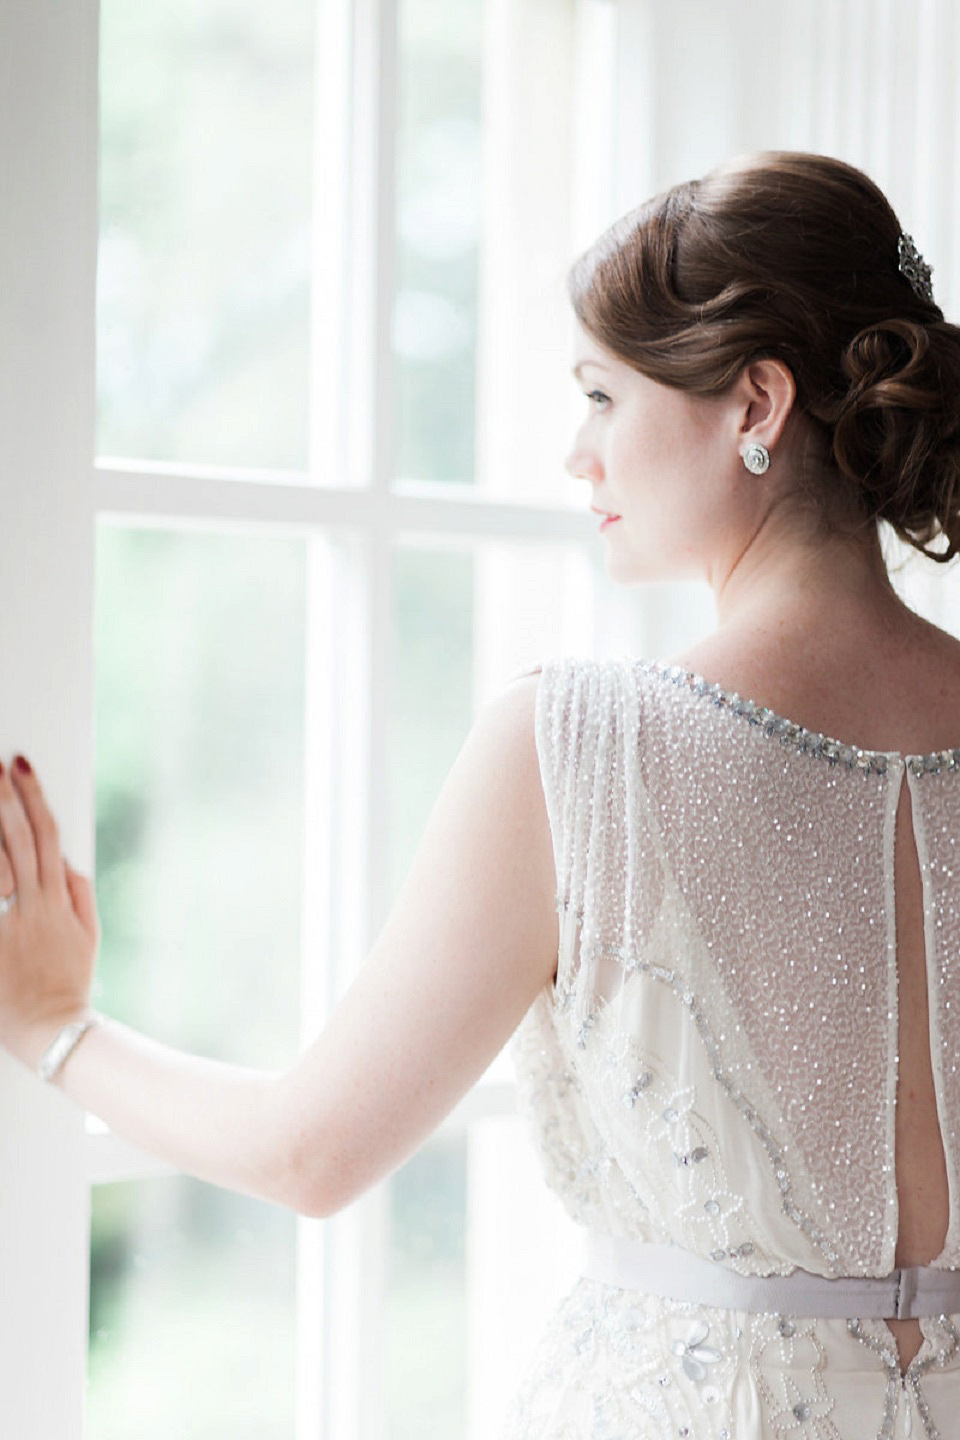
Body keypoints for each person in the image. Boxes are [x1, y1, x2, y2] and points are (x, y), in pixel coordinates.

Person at [2, 148, 960, 1437]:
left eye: (602, 398)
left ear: (756, 404)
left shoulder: (582, 747)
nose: (578, 455)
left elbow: (310, 1153)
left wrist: (51, 1026)